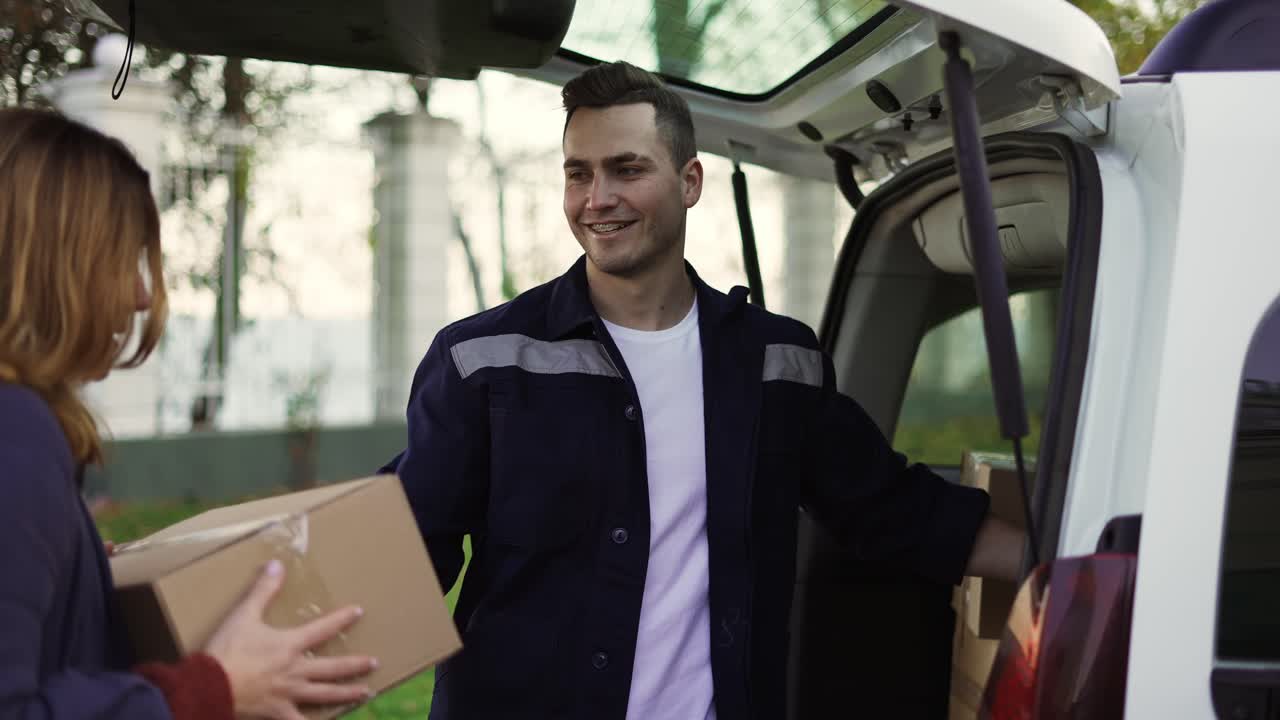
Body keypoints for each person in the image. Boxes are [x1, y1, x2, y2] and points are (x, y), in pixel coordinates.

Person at [383, 61, 1024, 720]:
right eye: (579, 173)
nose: (596, 198)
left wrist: (1058, 566)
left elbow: (894, 510)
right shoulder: (484, 360)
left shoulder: (778, 364)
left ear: (690, 181)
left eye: (626, 170)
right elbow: (404, 552)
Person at [0, 108, 378, 720]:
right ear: (53, 265)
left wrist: (84, 578)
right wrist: (211, 690)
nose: (141, 295)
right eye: (121, 258)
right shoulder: (15, 433)